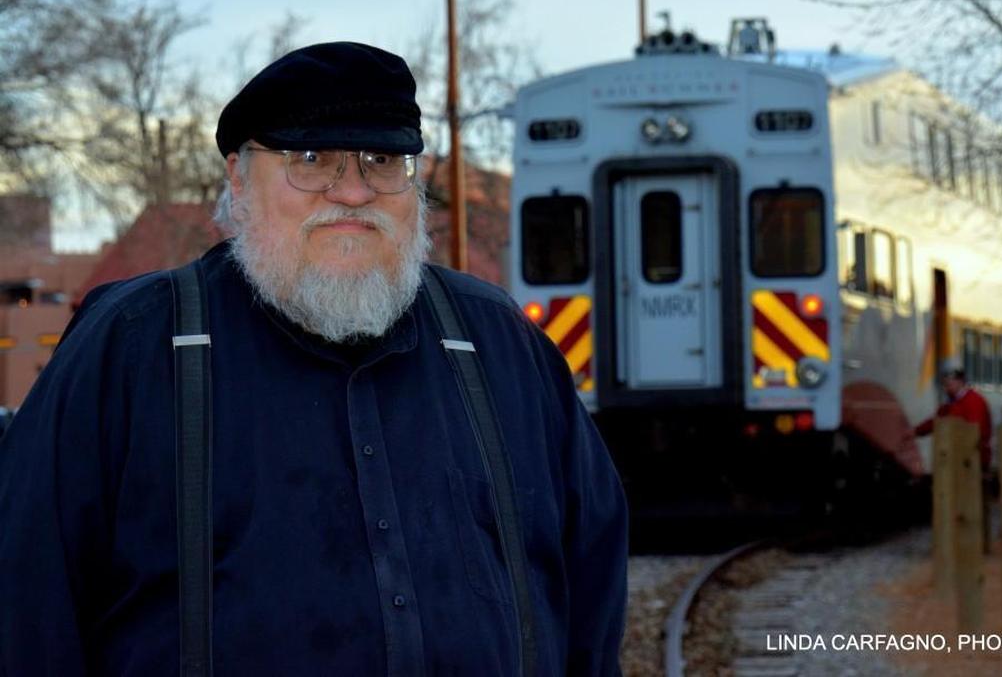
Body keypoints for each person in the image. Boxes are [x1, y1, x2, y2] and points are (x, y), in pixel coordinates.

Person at [0, 42, 628, 675]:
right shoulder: (132, 347)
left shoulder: (498, 345)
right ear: (238, 178)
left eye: (382, 160)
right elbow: (27, 603)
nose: (352, 190)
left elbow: (593, 582)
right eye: (312, 159)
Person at [914, 359, 995, 549]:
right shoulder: (953, 403)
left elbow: (975, 431)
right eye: (944, 382)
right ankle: (962, 543)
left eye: (949, 382)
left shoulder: (973, 402)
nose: (946, 386)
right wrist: (915, 432)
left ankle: (972, 545)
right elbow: (937, 421)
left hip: (972, 461)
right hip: (958, 461)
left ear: (960, 381)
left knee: (970, 504)